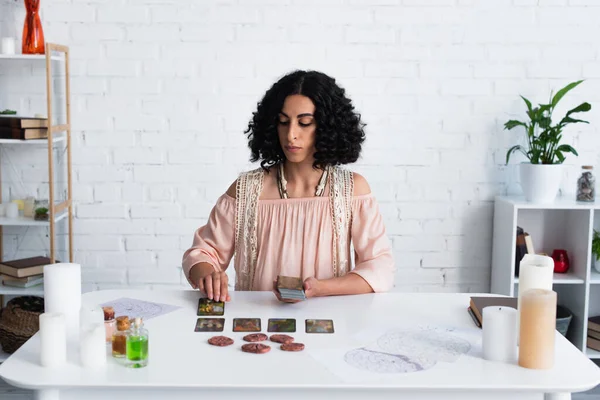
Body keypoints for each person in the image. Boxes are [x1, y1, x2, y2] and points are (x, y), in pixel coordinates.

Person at [182, 70, 395, 303]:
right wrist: (208, 274)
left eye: (304, 123)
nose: (291, 134)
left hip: (331, 324)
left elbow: (380, 267)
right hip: (257, 327)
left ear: (326, 127)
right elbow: (202, 253)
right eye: (283, 122)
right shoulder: (246, 190)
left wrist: (320, 288)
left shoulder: (351, 190)